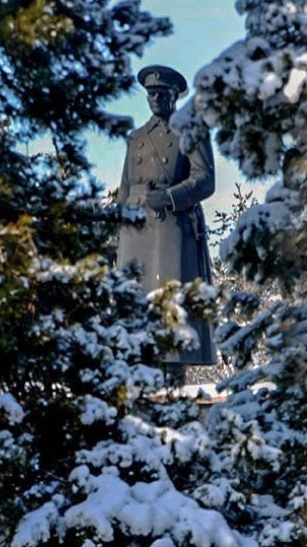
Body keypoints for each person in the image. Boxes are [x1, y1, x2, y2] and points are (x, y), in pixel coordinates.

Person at [117, 65, 217, 379]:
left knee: (173, 306)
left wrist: (172, 197)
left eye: (162, 92)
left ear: (175, 95)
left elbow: (205, 179)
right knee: (137, 303)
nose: (156, 98)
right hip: (137, 229)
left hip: (173, 227)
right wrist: (117, 223)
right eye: (151, 93)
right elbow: (123, 187)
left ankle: (173, 376)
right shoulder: (136, 138)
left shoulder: (191, 131)